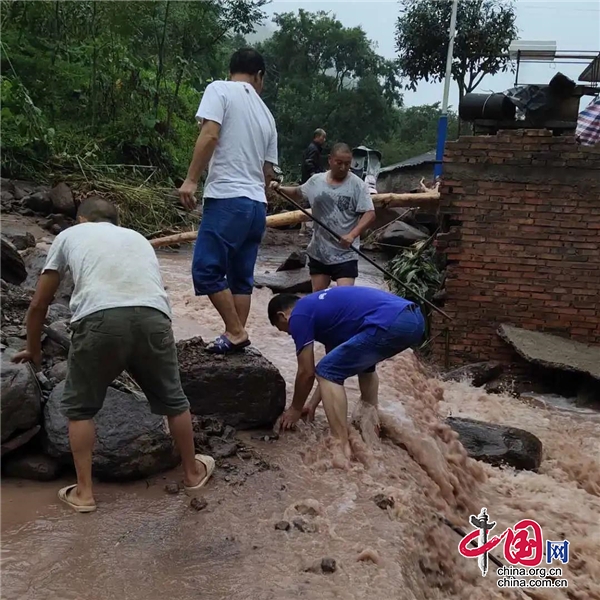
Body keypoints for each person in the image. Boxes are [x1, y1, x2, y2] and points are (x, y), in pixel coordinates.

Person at [11, 197, 214, 513]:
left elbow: (39, 304)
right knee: (174, 401)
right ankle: (192, 472)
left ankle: (85, 492)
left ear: (81, 220)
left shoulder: (68, 236)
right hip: (154, 317)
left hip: (100, 318)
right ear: (116, 223)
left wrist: (34, 349)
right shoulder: (138, 239)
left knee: (80, 409)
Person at [178, 48, 278, 355]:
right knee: (240, 278)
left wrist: (192, 179)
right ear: (259, 75)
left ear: (231, 69)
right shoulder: (267, 115)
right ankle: (237, 336)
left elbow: (210, 134)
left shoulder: (218, 89)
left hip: (227, 199)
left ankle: (235, 331)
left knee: (206, 270)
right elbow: (269, 174)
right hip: (256, 207)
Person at [267, 286, 425, 465]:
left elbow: (307, 372)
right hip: (413, 319)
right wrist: (311, 405)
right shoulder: (325, 314)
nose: (290, 333)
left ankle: (340, 443)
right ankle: (370, 429)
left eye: (285, 330)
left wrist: (295, 408)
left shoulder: (299, 314)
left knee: (327, 371)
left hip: (391, 321)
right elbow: (333, 372)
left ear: (282, 316)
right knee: (363, 368)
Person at [272, 143, 376, 293]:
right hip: (319, 251)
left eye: (347, 164)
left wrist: (352, 235)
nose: (343, 167)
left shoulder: (358, 185)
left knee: (344, 298)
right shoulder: (316, 181)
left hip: (346, 253)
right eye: (339, 163)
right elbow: (297, 192)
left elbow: (370, 213)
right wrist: (280, 188)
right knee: (318, 297)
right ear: (330, 160)